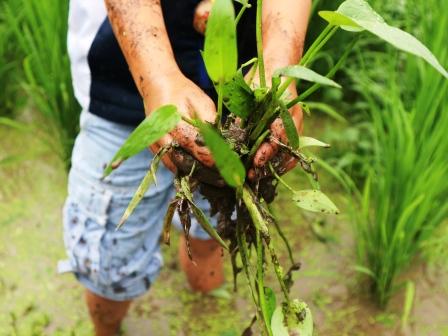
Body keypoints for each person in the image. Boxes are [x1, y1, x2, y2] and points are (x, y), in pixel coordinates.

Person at [60, 0, 310, 335]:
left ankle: (205, 302)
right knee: (110, 265)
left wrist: (278, 64)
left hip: (240, 92)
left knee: (216, 230)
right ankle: (106, 327)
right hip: (123, 86)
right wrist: (157, 78)